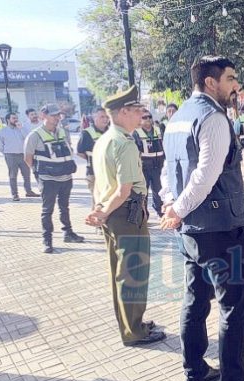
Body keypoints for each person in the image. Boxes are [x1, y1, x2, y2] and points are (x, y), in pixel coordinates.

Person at [160, 56, 244, 381]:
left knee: (195, 302)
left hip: (191, 231)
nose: (235, 86)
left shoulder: (178, 117)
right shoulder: (213, 118)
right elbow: (205, 176)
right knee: (233, 307)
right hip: (220, 229)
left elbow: (168, 173)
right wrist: (177, 210)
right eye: (230, 79)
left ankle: (195, 375)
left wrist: (171, 206)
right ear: (211, 83)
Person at [84, 85, 166, 347]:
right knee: (133, 272)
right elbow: (123, 189)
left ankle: (132, 323)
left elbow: (101, 182)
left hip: (113, 213)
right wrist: (105, 211)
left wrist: (100, 210)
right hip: (126, 212)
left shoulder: (104, 140)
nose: (142, 115)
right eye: (137, 111)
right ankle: (134, 332)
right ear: (122, 113)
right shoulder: (124, 143)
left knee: (119, 272)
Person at [24, 104, 85, 253]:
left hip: (66, 177)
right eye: (53, 115)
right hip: (48, 179)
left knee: (64, 207)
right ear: (43, 116)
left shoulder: (63, 131)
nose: (57, 118)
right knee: (47, 210)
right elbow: (27, 157)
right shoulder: (35, 135)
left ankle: (68, 233)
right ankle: (47, 240)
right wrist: (38, 173)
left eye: (58, 115)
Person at [0, 112, 40, 201]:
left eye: (16, 118)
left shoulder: (22, 128)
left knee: (27, 174)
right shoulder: (2, 131)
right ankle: (15, 194)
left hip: (23, 155)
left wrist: (21, 129)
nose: (16, 120)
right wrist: (6, 153)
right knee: (13, 175)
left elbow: (28, 138)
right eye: (13, 118)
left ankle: (29, 191)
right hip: (11, 156)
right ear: (8, 120)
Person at [132, 108, 165, 216]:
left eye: (149, 117)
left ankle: (161, 212)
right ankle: (143, 215)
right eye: (144, 117)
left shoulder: (158, 129)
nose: (147, 119)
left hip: (158, 166)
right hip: (144, 168)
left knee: (159, 191)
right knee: (143, 192)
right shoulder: (136, 133)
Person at [77, 107, 109, 209]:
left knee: (109, 200)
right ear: (94, 118)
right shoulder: (87, 133)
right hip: (94, 173)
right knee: (98, 201)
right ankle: (97, 223)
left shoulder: (111, 131)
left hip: (110, 172)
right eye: (102, 117)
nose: (105, 119)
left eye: (107, 117)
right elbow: (80, 152)